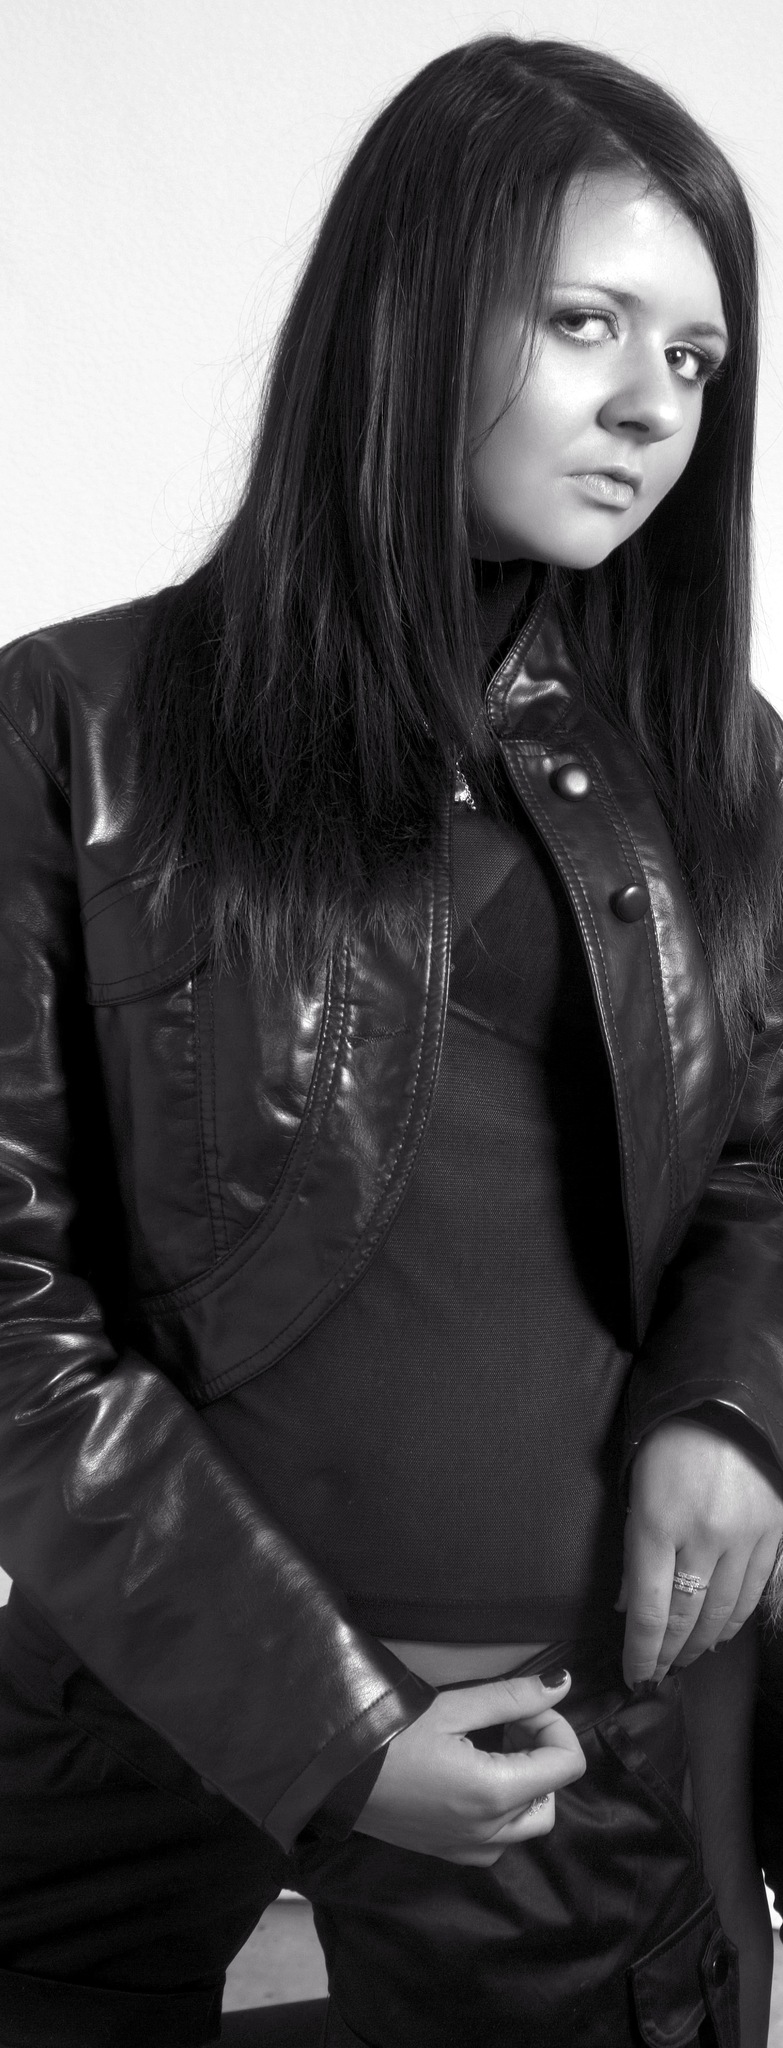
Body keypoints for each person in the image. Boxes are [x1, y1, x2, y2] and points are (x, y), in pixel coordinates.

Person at [1, 30, 783, 2048]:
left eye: (696, 359)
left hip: (566, 1739)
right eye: (585, 322)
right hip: (145, 1705)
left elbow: (768, 1154)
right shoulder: (70, 729)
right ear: (411, 314)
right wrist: (329, 1732)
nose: (650, 404)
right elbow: (5, 1294)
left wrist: (734, 1405)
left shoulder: (723, 766)